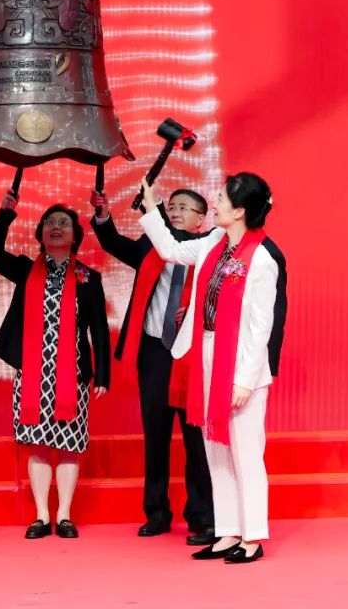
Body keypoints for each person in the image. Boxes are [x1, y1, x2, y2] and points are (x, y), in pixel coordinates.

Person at [139, 172, 287, 564]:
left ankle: (252, 537)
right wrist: (151, 205)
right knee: (215, 452)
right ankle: (227, 532)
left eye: (220, 198)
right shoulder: (212, 242)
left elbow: (261, 327)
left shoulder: (262, 258)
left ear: (239, 211)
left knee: (245, 453)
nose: (214, 202)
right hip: (205, 354)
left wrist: (245, 380)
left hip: (239, 364)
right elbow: (171, 248)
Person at [89, 187, 215, 545]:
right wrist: (103, 215)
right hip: (155, 352)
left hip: (192, 353)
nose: (175, 211)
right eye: (171, 206)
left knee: (196, 440)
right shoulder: (151, 245)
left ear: (201, 219)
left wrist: (199, 312)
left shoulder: (210, 249)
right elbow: (113, 243)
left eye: (184, 207)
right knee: (155, 436)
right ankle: (157, 512)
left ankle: (202, 516)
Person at [0, 192, 111, 539]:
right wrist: (5, 213)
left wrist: (103, 374)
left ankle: (65, 516)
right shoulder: (26, 270)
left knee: (69, 445)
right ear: (40, 233)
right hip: (33, 374)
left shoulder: (88, 278)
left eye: (64, 224)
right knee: (38, 444)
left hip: (73, 373)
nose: (56, 227)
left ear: (75, 236)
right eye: (50, 223)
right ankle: (41, 516)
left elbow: (99, 329)